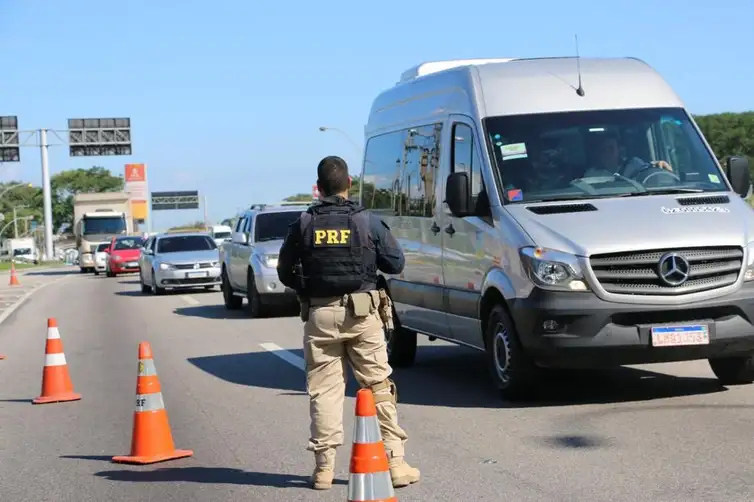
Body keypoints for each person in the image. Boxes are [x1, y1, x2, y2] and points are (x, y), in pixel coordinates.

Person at [277, 155, 420, 491]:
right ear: (349, 184)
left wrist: (309, 289)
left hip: (320, 314)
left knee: (324, 393)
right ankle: (396, 464)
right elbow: (396, 263)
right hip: (362, 313)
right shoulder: (365, 221)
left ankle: (323, 471)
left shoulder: (303, 223)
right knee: (378, 387)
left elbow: (285, 271)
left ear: (318, 187)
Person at [584, 130, 673, 179]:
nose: (607, 153)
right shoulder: (592, 174)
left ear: (619, 150)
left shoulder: (633, 164)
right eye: (603, 150)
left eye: (611, 148)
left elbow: (648, 168)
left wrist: (658, 164)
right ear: (598, 153)